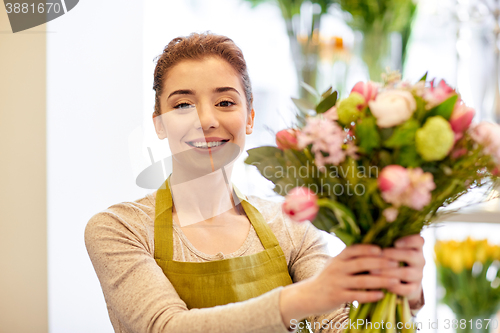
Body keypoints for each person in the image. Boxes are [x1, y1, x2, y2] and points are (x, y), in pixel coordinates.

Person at [84, 32, 425, 333]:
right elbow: (166, 327)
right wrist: (304, 297)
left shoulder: (292, 227)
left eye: (225, 102)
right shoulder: (119, 229)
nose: (206, 120)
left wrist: (400, 297)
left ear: (249, 118)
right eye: (183, 104)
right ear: (159, 123)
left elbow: (335, 328)